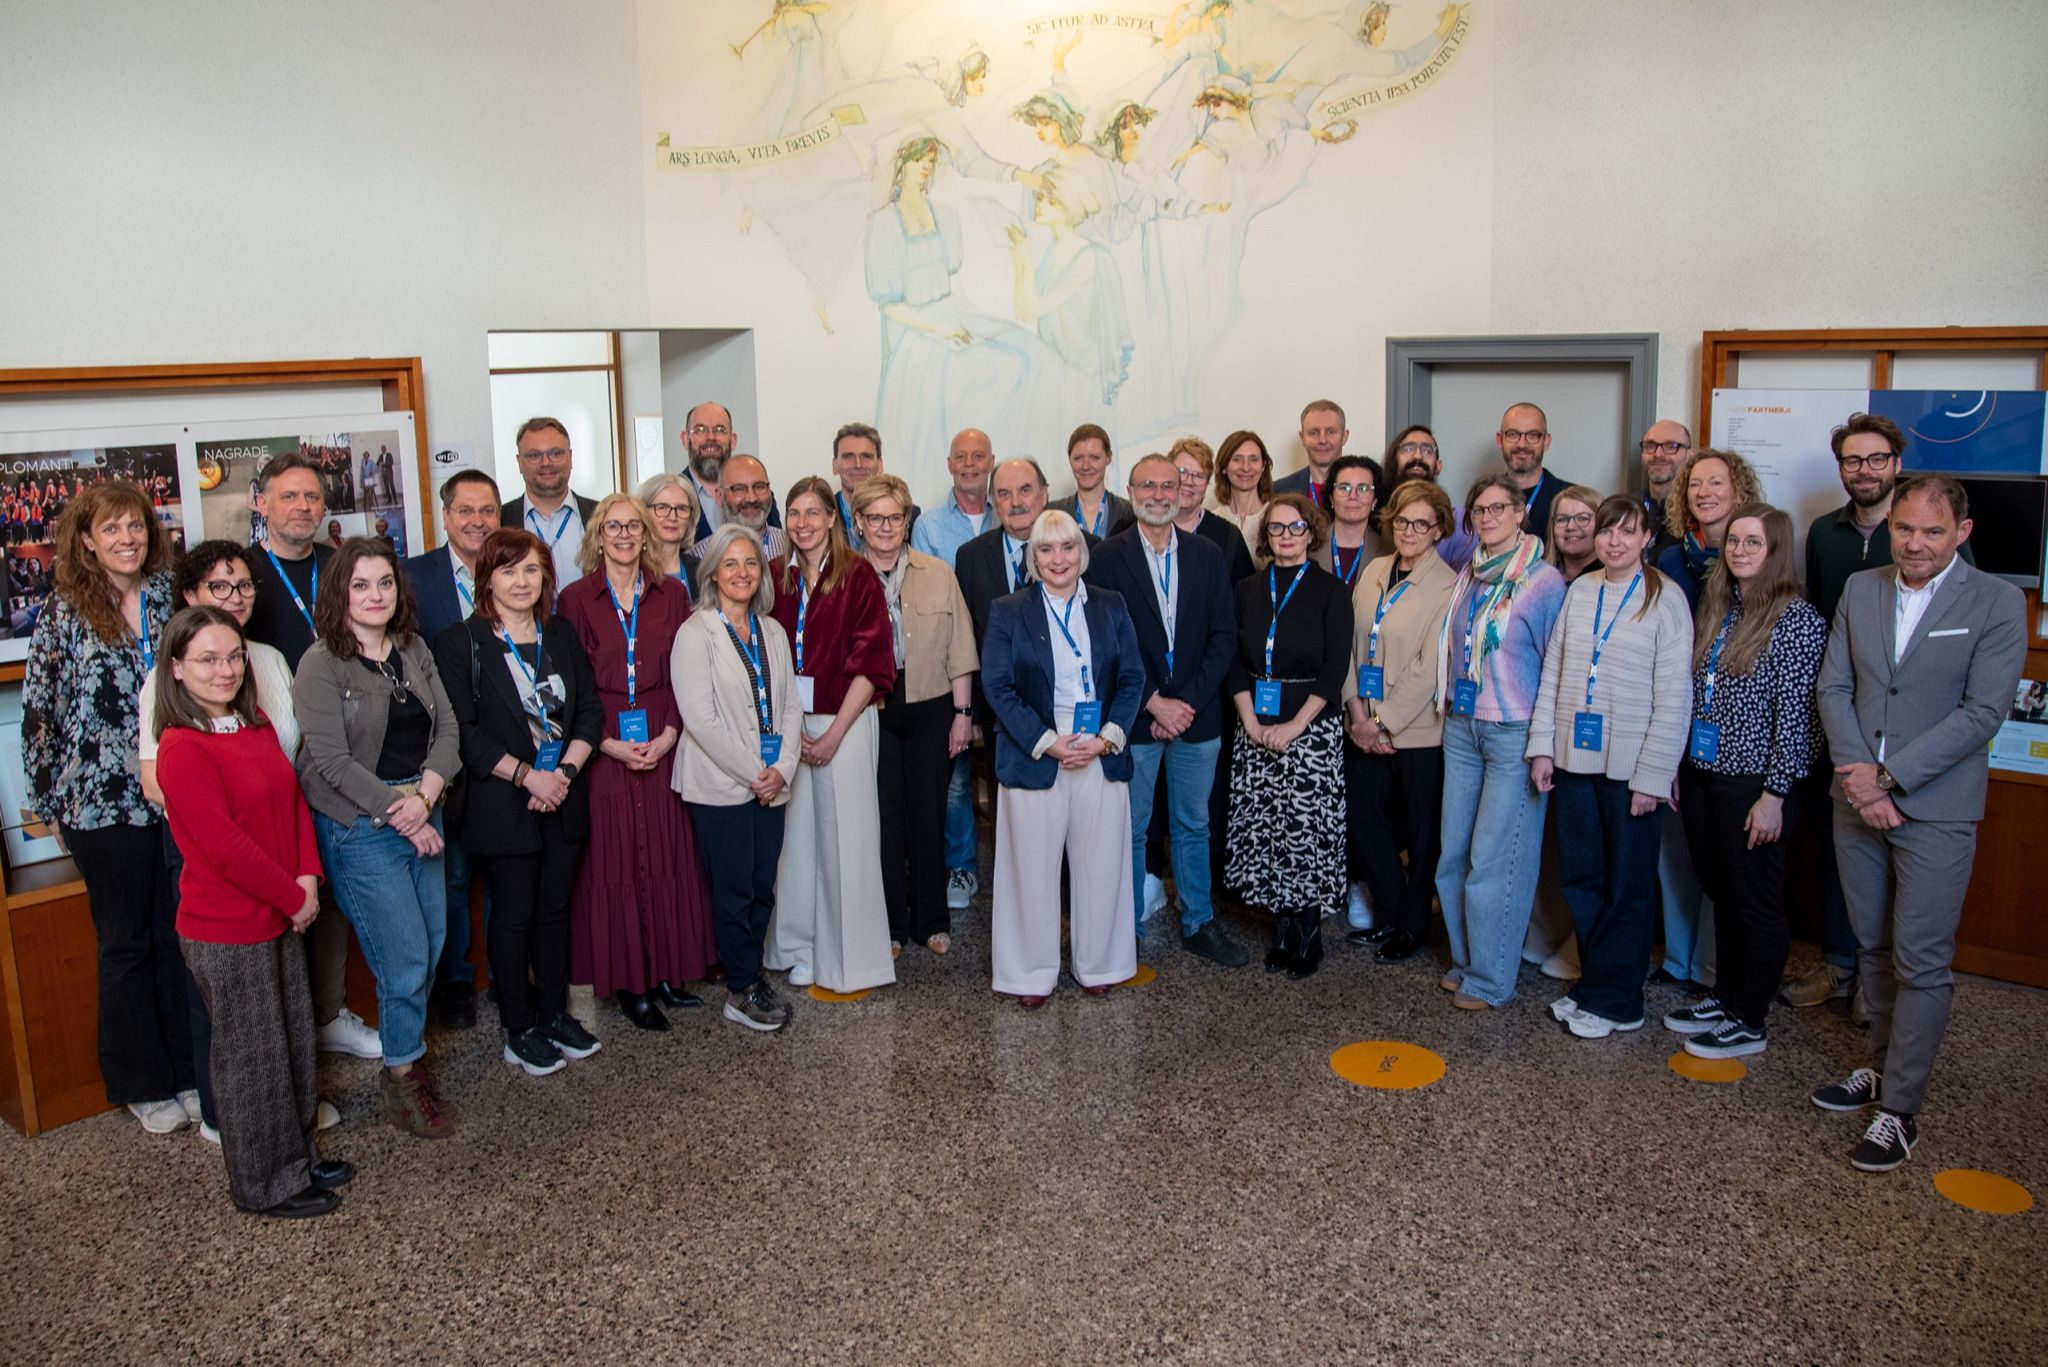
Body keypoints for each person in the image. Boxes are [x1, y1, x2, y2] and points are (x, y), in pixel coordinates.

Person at [1813, 477, 2026, 1172]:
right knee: (1872, 946)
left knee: (1920, 959)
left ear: (1962, 533)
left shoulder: (1996, 602)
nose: (1915, 543)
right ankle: (1880, 1068)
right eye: (1905, 528)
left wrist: (1890, 778)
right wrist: (1859, 776)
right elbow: (1834, 687)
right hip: (1856, 800)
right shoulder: (1862, 589)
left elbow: (1983, 713)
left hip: (1933, 807)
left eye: (1933, 532)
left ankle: (1901, 1110)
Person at [153, 606, 350, 1218]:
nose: (226, 670)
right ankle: (265, 1185)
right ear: (177, 669)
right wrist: (294, 897)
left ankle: (298, 1157)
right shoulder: (181, 747)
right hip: (229, 927)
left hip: (282, 911)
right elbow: (225, 848)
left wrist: (307, 877)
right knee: (251, 1060)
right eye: (208, 659)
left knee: (293, 1042)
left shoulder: (253, 722)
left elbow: (292, 803)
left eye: (234, 656)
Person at [21, 480, 192, 1134]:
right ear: (87, 540)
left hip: (172, 792)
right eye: (111, 528)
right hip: (99, 802)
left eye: (135, 526)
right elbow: (41, 710)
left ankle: (187, 1070)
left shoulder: (168, 595)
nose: (127, 538)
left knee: (177, 936)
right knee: (126, 942)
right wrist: (46, 801)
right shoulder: (66, 608)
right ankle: (140, 1083)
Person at [1789, 412, 1973, 1013]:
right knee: (1840, 851)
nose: (1863, 470)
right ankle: (1841, 965)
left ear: (1896, 464)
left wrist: (1888, 774)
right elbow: (1819, 621)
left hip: (1915, 744)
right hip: (1844, 722)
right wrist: (1854, 757)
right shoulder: (1824, 532)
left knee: (1911, 883)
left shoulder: (1937, 541)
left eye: (1875, 459)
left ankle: (1885, 987)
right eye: (1852, 460)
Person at [293, 538, 462, 1137]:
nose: (375, 595)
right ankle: (402, 1076)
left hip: (421, 806)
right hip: (362, 825)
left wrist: (425, 800)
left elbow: (448, 731)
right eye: (360, 585)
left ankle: (406, 1055)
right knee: (405, 957)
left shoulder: (412, 647)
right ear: (340, 593)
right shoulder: (320, 663)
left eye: (385, 583)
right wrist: (401, 812)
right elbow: (331, 763)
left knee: (432, 944)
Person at [138, 541, 303, 1140]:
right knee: (240, 1037)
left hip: (280, 864)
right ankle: (237, 1132)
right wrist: (290, 891)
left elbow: (290, 775)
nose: (235, 596)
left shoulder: (263, 675)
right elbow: (211, 833)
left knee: (283, 1026)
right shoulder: (181, 729)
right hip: (229, 883)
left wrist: (301, 878)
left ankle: (291, 1141)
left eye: (243, 585)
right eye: (218, 586)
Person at [432, 529, 603, 1075]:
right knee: (513, 917)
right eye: (508, 571)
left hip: (563, 797)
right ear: (487, 579)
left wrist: (564, 775)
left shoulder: (560, 633)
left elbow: (588, 713)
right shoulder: (460, 643)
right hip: (505, 805)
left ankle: (553, 1013)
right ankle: (519, 1027)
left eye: (531, 569)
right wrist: (531, 778)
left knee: (554, 912)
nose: (522, 581)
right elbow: (466, 734)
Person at [1663, 504, 1827, 1060]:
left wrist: (1775, 795)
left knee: (1754, 901)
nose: (1739, 551)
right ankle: (1727, 996)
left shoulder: (1797, 619)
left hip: (1755, 783)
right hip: (1704, 773)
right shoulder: (1720, 606)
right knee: (1723, 892)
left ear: (1775, 549)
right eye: (1733, 541)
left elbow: (1799, 720)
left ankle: (1750, 1019)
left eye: (1753, 542)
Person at [1526, 495, 1693, 1038]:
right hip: (1574, 762)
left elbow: (1675, 697)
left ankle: (1620, 1001)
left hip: (1631, 774)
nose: (1614, 541)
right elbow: (1554, 674)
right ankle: (1594, 986)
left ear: (1647, 538)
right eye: (1606, 531)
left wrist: (1652, 777)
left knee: (1627, 887)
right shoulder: (1580, 591)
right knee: (1582, 880)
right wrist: (1544, 747)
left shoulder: (1665, 598)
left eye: (1627, 531)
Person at [558, 496, 717, 1028]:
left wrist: (670, 733)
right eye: (613, 526)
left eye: (633, 525)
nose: (624, 534)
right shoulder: (575, 599)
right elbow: (573, 684)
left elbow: (684, 671)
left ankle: (669, 972)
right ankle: (631, 982)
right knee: (617, 861)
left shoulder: (672, 594)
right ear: (598, 536)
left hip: (663, 735)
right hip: (604, 742)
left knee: (670, 854)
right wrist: (605, 742)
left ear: (646, 534)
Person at [241, 453, 376, 1061]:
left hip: (342, 753)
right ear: (261, 503)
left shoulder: (340, 565)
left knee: (330, 886)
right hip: (274, 754)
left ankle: (328, 1013)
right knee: (282, 890)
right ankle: (289, 1026)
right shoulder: (243, 573)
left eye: (313, 497)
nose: (303, 507)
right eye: (289, 496)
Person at [981, 510, 1145, 1006]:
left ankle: (1100, 964)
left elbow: (1133, 678)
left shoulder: (1112, 605)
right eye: (1046, 549)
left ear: (1082, 552)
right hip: (1036, 750)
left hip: (1100, 749)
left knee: (1102, 865)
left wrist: (1107, 737)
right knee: (1030, 870)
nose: (1058, 559)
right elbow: (998, 685)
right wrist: (1047, 740)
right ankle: (1030, 974)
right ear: (1033, 557)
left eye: (1068, 547)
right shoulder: (1008, 610)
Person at [1087, 455, 1243, 965]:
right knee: (1131, 827)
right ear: (1131, 491)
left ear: (1182, 492)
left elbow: (1223, 637)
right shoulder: (1107, 558)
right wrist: (1154, 701)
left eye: (1167, 485)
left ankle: (1198, 920)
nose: (1158, 494)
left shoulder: (1207, 555)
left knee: (1194, 823)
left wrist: (1185, 704)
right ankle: (1127, 928)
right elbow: (1106, 643)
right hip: (1135, 716)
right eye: (1147, 485)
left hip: (1198, 716)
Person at [1435, 475, 1567, 1010]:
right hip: (1461, 726)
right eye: (1479, 511)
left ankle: (1491, 978)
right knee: (1454, 852)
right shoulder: (1469, 574)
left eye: (1497, 508)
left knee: (1496, 858)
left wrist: (1544, 745)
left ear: (1519, 514)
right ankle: (1466, 960)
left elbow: (1556, 669)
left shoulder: (1544, 581)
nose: (1487, 518)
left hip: (1513, 732)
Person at [767, 476, 898, 992]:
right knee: (795, 844)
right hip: (791, 724)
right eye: (794, 513)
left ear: (831, 518)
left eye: (813, 513)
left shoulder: (858, 574)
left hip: (845, 718)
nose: (803, 523)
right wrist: (786, 729)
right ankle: (799, 947)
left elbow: (873, 663)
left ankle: (849, 960)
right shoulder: (776, 577)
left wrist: (833, 734)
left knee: (847, 840)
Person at [672, 524, 802, 1033]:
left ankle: (750, 975)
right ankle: (742, 987)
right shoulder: (695, 633)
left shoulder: (773, 631)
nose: (742, 573)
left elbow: (789, 706)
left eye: (751, 563)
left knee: (761, 885)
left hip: (771, 784)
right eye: (731, 564)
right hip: (720, 786)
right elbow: (701, 720)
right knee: (733, 890)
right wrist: (756, 773)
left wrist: (781, 769)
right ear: (712, 574)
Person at [1225, 493, 1355, 979]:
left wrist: (1295, 727)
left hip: (1310, 731)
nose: (1286, 536)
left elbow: (1335, 668)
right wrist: (1251, 723)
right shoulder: (1246, 590)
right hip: (1256, 726)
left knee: (1305, 834)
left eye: (1295, 527)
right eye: (1276, 528)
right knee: (1266, 831)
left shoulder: (1331, 591)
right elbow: (1233, 661)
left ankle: (1309, 933)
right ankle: (1281, 929)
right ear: (1265, 536)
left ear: (1310, 532)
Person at [853, 475, 976, 956]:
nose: (886, 527)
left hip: (931, 703)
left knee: (929, 813)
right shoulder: (846, 577)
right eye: (876, 518)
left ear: (908, 521)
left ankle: (931, 921)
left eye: (895, 517)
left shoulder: (938, 572)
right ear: (859, 523)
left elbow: (960, 648)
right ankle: (891, 926)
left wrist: (962, 713)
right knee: (884, 818)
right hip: (871, 708)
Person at [1341, 480, 1459, 963]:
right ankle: (1389, 913)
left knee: (1421, 835)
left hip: (1416, 734)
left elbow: (1429, 668)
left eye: (1421, 524)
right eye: (1403, 521)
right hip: (1361, 725)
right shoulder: (1374, 570)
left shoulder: (1448, 585)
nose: (1409, 531)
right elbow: (1349, 645)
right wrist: (1357, 715)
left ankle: (1413, 927)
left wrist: (1382, 723)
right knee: (1364, 820)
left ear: (1438, 530)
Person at [405, 469, 503, 1030]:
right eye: (465, 510)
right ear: (445, 517)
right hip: (443, 751)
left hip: (506, 748)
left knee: (504, 870)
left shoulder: (512, 567)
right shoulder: (414, 577)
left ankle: (502, 973)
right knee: (454, 876)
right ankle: (458, 982)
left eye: (487, 510)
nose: (477, 521)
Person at [911, 427, 996, 908]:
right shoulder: (928, 526)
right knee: (957, 779)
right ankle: (962, 867)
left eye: (978, 456)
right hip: (953, 668)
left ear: (990, 461)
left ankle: (1018, 868)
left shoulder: (1010, 512)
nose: (969, 465)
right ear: (949, 464)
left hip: (1006, 666)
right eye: (960, 457)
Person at [1655, 446, 1763, 610]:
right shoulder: (1670, 561)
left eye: (1716, 483)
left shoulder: (1756, 559)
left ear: (1739, 493)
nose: (1703, 492)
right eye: (1695, 484)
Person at [499, 417, 597, 588]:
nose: (546, 463)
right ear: (519, 462)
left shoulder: (600, 515)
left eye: (556, 453)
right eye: (534, 455)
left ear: (570, 457)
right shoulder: (500, 520)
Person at [1383, 424, 1478, 570]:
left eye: (1427, 450)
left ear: (1438, 466)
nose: (1417, 456)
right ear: (1394, 462)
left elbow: (1463, 580)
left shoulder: (1461, 523)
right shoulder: (1378, 514)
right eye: (1408, 448)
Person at [1495, 402, 1578, 545]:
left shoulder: (1574, 499)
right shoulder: (1483, 500)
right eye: (1513, 434)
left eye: (1533, 435)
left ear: (1546, 441)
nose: (1522, 444)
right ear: (1499, 440)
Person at [829, 422, 917, 551]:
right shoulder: (823, 514)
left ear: (880, 465)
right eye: (848, 457)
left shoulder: (910, 515)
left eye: (866, 457)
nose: (858, 464)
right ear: (835, 465)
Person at [1051, 423, 1134, 539]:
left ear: (1108, 457)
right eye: (1078, 458)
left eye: (1094, 458)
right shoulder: (1052, 513)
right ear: (1070, 460)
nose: (1086, 466)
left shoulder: (1129, 513)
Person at [1314, 453, 1382, 589]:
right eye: (1344, 488)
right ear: (1331, 498)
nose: (1353, 496)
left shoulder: (1387, 548)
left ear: (1375, 500)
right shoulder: (1311, 544)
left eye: (1363, 489)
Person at [1206, 428, 1271, 554]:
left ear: (1263, 466)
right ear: (1224, 466)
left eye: (1253, 459)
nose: (1246, 467)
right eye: (1237, 459)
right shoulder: (1211, 522)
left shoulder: (1277, 518)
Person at [1272, 399, 1346, 507]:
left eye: (1330, 432)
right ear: (1302, 438)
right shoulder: (1278, 491)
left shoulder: (1365, 488)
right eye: (1313, 433)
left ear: (1344, 437)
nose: (1322, 440)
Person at [1637, 420, 1691, 557]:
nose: (1658, 454)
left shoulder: (1696, 512)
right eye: (1650, 446)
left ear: (1690, 455)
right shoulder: (1628, 507)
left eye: (1671, 446)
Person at [719, 454, 787, 559]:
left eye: (759, 487)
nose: (752, 498)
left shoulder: (791, 546)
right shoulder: (702, 555)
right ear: (719, 496)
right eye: (739, 489)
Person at [1545, 484, 1603, 583]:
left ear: (1601, 523)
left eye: (1582, 518)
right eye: (1562, 519)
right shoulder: (1537, 576)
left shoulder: (1612, 579)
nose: (1570, 527)